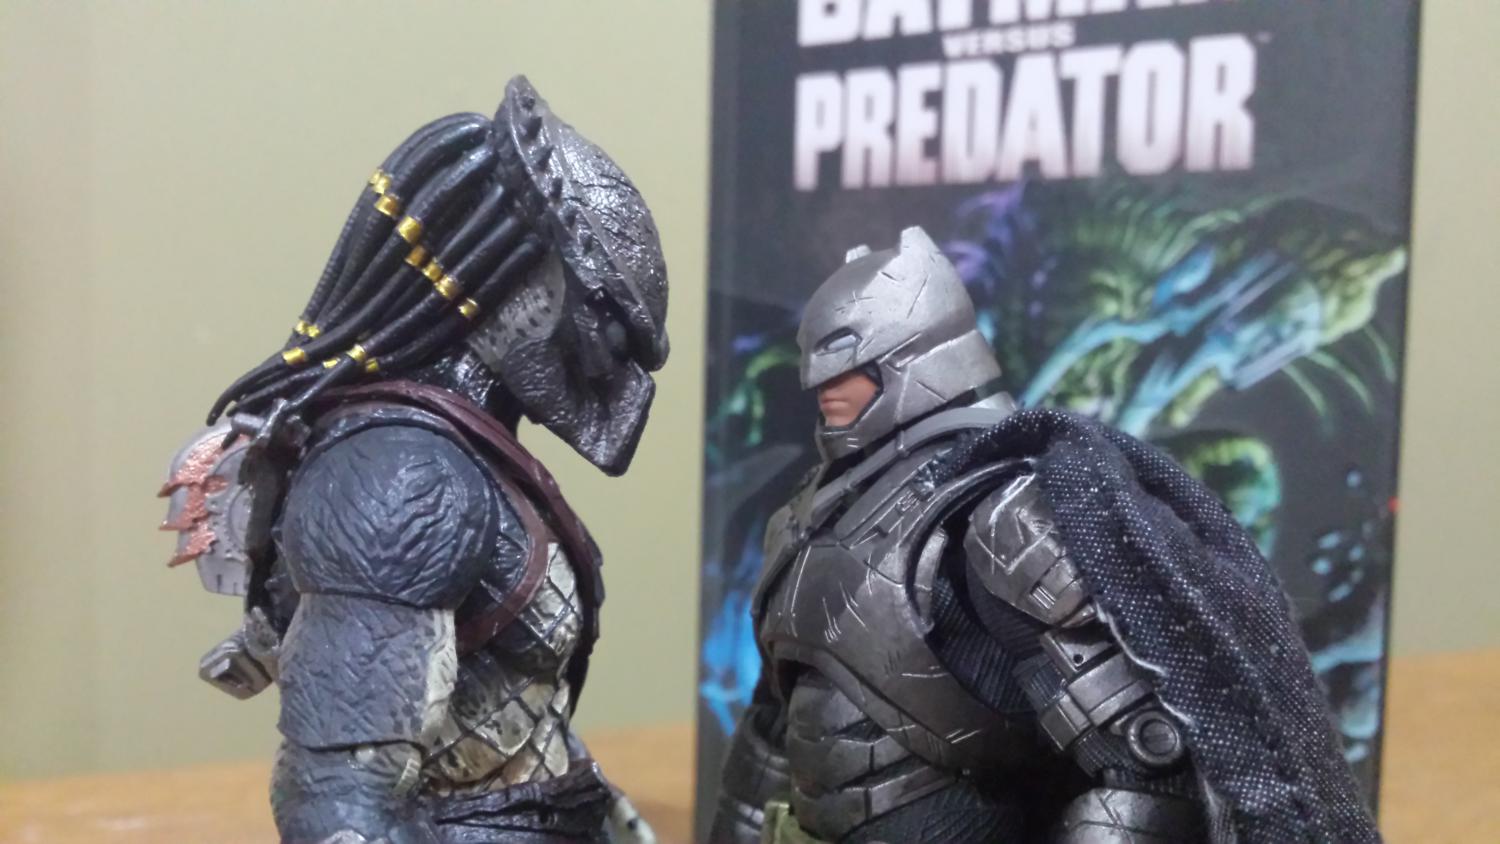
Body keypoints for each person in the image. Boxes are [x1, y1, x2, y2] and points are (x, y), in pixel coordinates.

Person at [709, 227, 1378, 843]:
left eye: (851, 371)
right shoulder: (808, 516)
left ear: (916, 360)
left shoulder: (1002, 515)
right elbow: (774, 729)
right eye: (820, 371)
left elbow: (1141, 765)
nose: (826, 388)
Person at [160, 76, 665, 843]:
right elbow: (338, 811)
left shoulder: (466, 458)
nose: (606, 363)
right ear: (525, 286)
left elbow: (509, 704)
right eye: (603, 322)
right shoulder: (404, 480)